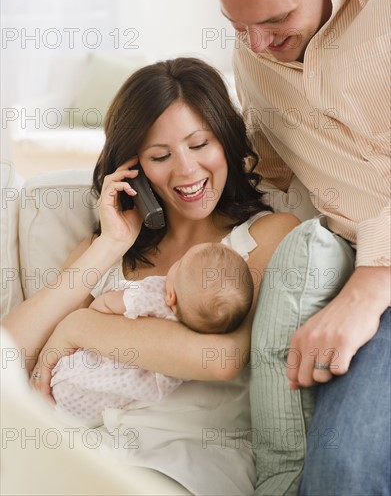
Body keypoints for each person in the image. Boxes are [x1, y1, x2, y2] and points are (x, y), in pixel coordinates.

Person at [2, 57, 298, 494]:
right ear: (133, 168)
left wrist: (79, 325)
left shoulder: (264, 236)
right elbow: (8, 350)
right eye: (160, 156)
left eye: (200, 145)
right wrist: (110, 244)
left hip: (186, 465)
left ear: (227, 142)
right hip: (83, 455)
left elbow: (220, 357)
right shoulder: (103, 252)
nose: (187, 170)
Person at [204, 0, 390, 493]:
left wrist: (370, 285)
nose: (257, 46)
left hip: (376, 283)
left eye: (275, 22)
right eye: (237, 26)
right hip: (372, 292)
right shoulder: (255, 61)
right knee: (342, 474)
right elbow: (263, 180)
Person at [51, 242, 254, 425]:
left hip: (71, 378)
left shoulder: (154, 294)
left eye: (181, 263)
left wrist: (91, 317)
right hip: (105, 401)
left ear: (172, 297)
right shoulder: (191, 342)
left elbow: (106, 303)